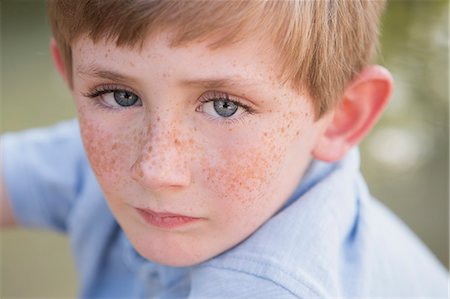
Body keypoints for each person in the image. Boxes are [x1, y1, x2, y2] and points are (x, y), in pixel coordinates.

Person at [1, 0, 447, 297]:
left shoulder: (271, 287)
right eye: (120, 96)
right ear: (71, 76)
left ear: (343, 116)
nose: (156, 170)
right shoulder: (111, 154)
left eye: (224, 106)